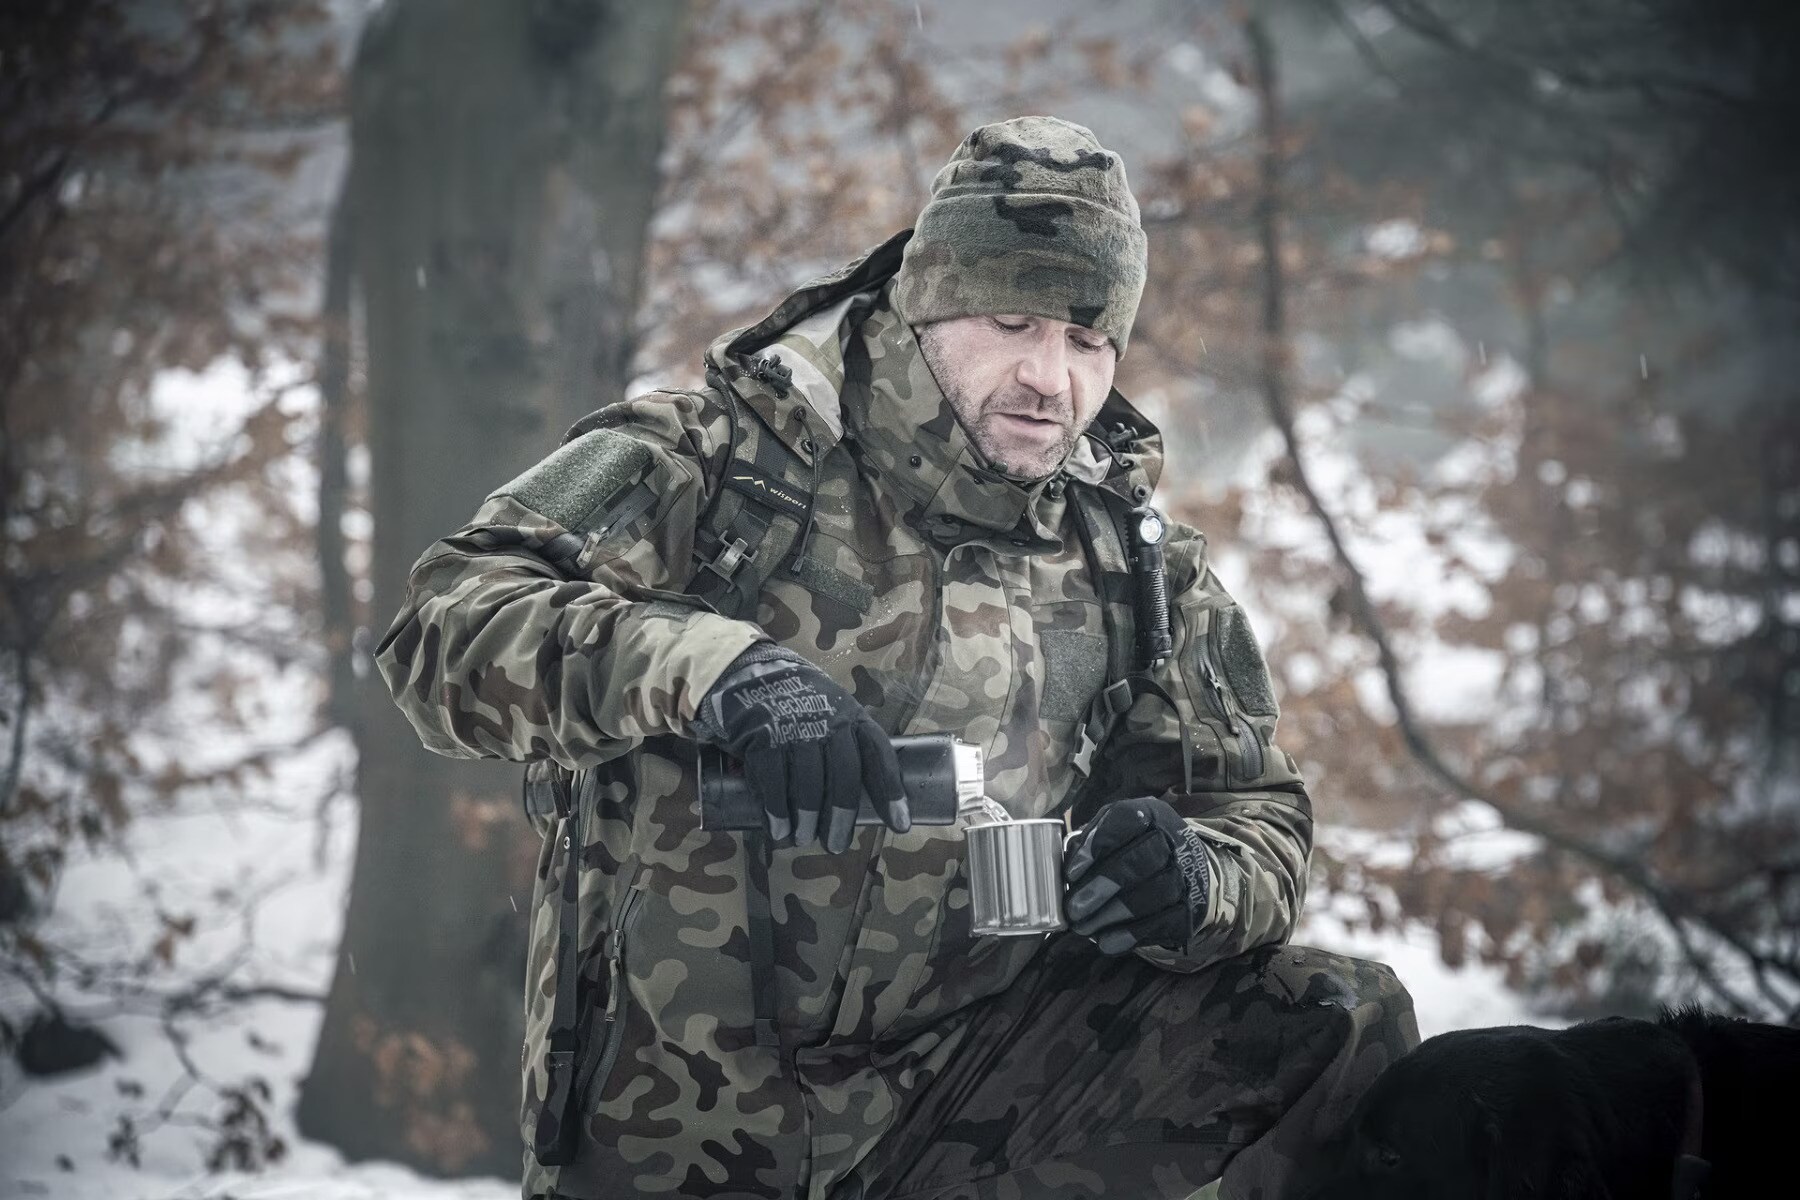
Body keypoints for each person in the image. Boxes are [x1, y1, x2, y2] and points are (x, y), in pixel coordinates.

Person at [377, 115, 1418, 1200]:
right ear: (927, 303)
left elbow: (1260, 815)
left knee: (1330, 1024)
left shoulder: (1133, 560)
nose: (1049, 380)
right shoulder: (727, 458)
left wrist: (1192, 882)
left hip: (965, 1102)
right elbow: (445, 625)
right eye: (1012, 321)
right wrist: (720, 673)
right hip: (684, 1120)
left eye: (1089, 340)